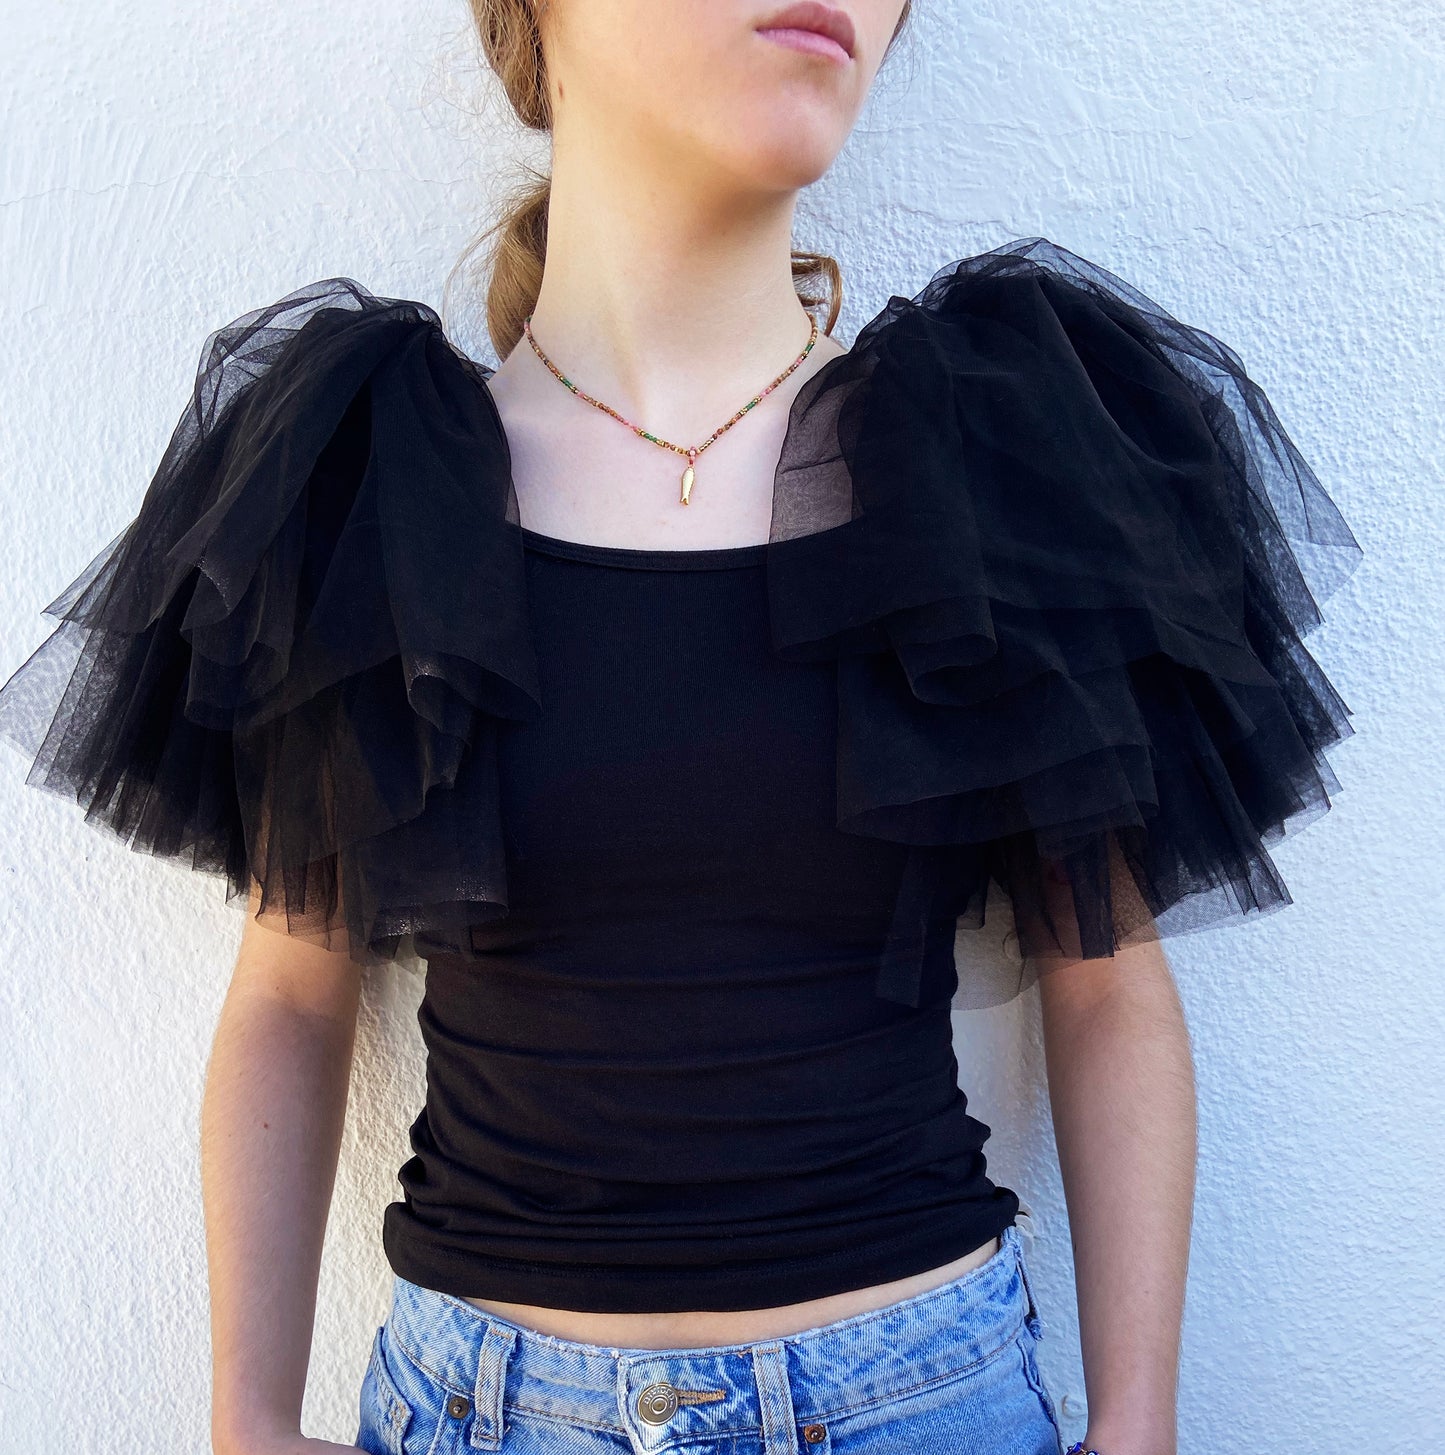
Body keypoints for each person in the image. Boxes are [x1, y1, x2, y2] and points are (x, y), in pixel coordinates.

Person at [0, 2, 1363, 1453]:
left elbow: (1104, 977)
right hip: (485, 1410)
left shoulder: (992, 457)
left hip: (922, 1403)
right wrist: (246, 1420)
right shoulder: (362, 479)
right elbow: (287, 986)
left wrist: (1138, 1421)